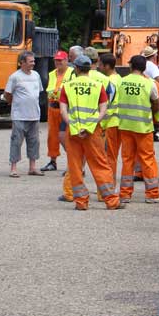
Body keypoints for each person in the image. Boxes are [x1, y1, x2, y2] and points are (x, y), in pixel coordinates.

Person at [60, 55, 124, 211]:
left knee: (75, 166)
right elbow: (103, 109)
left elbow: (63, 111)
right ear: (89, 69)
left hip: (74, 132)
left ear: (75, 68)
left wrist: (74, 125)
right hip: (93, 131)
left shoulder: (67, 86)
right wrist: (92, 124)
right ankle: (111, 200)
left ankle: (81, 202)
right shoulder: (97, 86)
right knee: (100, 165)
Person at [119, 55, 159, 204]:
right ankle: (152, 194)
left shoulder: (122, 82)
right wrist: (154, 117)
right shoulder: (149, 84)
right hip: (143, 127)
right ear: (144, 68)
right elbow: (156, 103)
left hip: (125, 126)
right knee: (147, 159)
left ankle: (125, 194)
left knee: (127, 160)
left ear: (130, 66)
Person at [4, 51, 44, 177]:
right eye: (30, 61)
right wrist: (13, 103)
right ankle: (13, 168)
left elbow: (39, 92)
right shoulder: (15, 77)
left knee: (34, 141)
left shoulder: (36, 75)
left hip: (34, 115)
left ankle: (32, 167)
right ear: (22, 63)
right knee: (16, 141)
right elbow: (7, 94)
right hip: (19, 115)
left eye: (33, 61)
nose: (33, 63)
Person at [41, 51, 73, 172]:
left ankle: (72, 162)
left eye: (60, 60)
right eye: (56, 60)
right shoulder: (52, 74)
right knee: (52, 136)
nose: (58, 62)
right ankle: (52, 161)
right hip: (53, 108)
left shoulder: (72, 73)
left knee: (65, 137)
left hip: (66, 109)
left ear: (66, 61)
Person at [98, 53, 122, 180]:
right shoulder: (120, 79)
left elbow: (106, 104)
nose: (99, 67)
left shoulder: (109, 82)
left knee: (109, 156)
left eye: (100, 64)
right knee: (113, 155)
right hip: (119, 123)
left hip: (110, 124)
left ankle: (108, 184)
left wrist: (101, 123)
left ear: (107, 66)